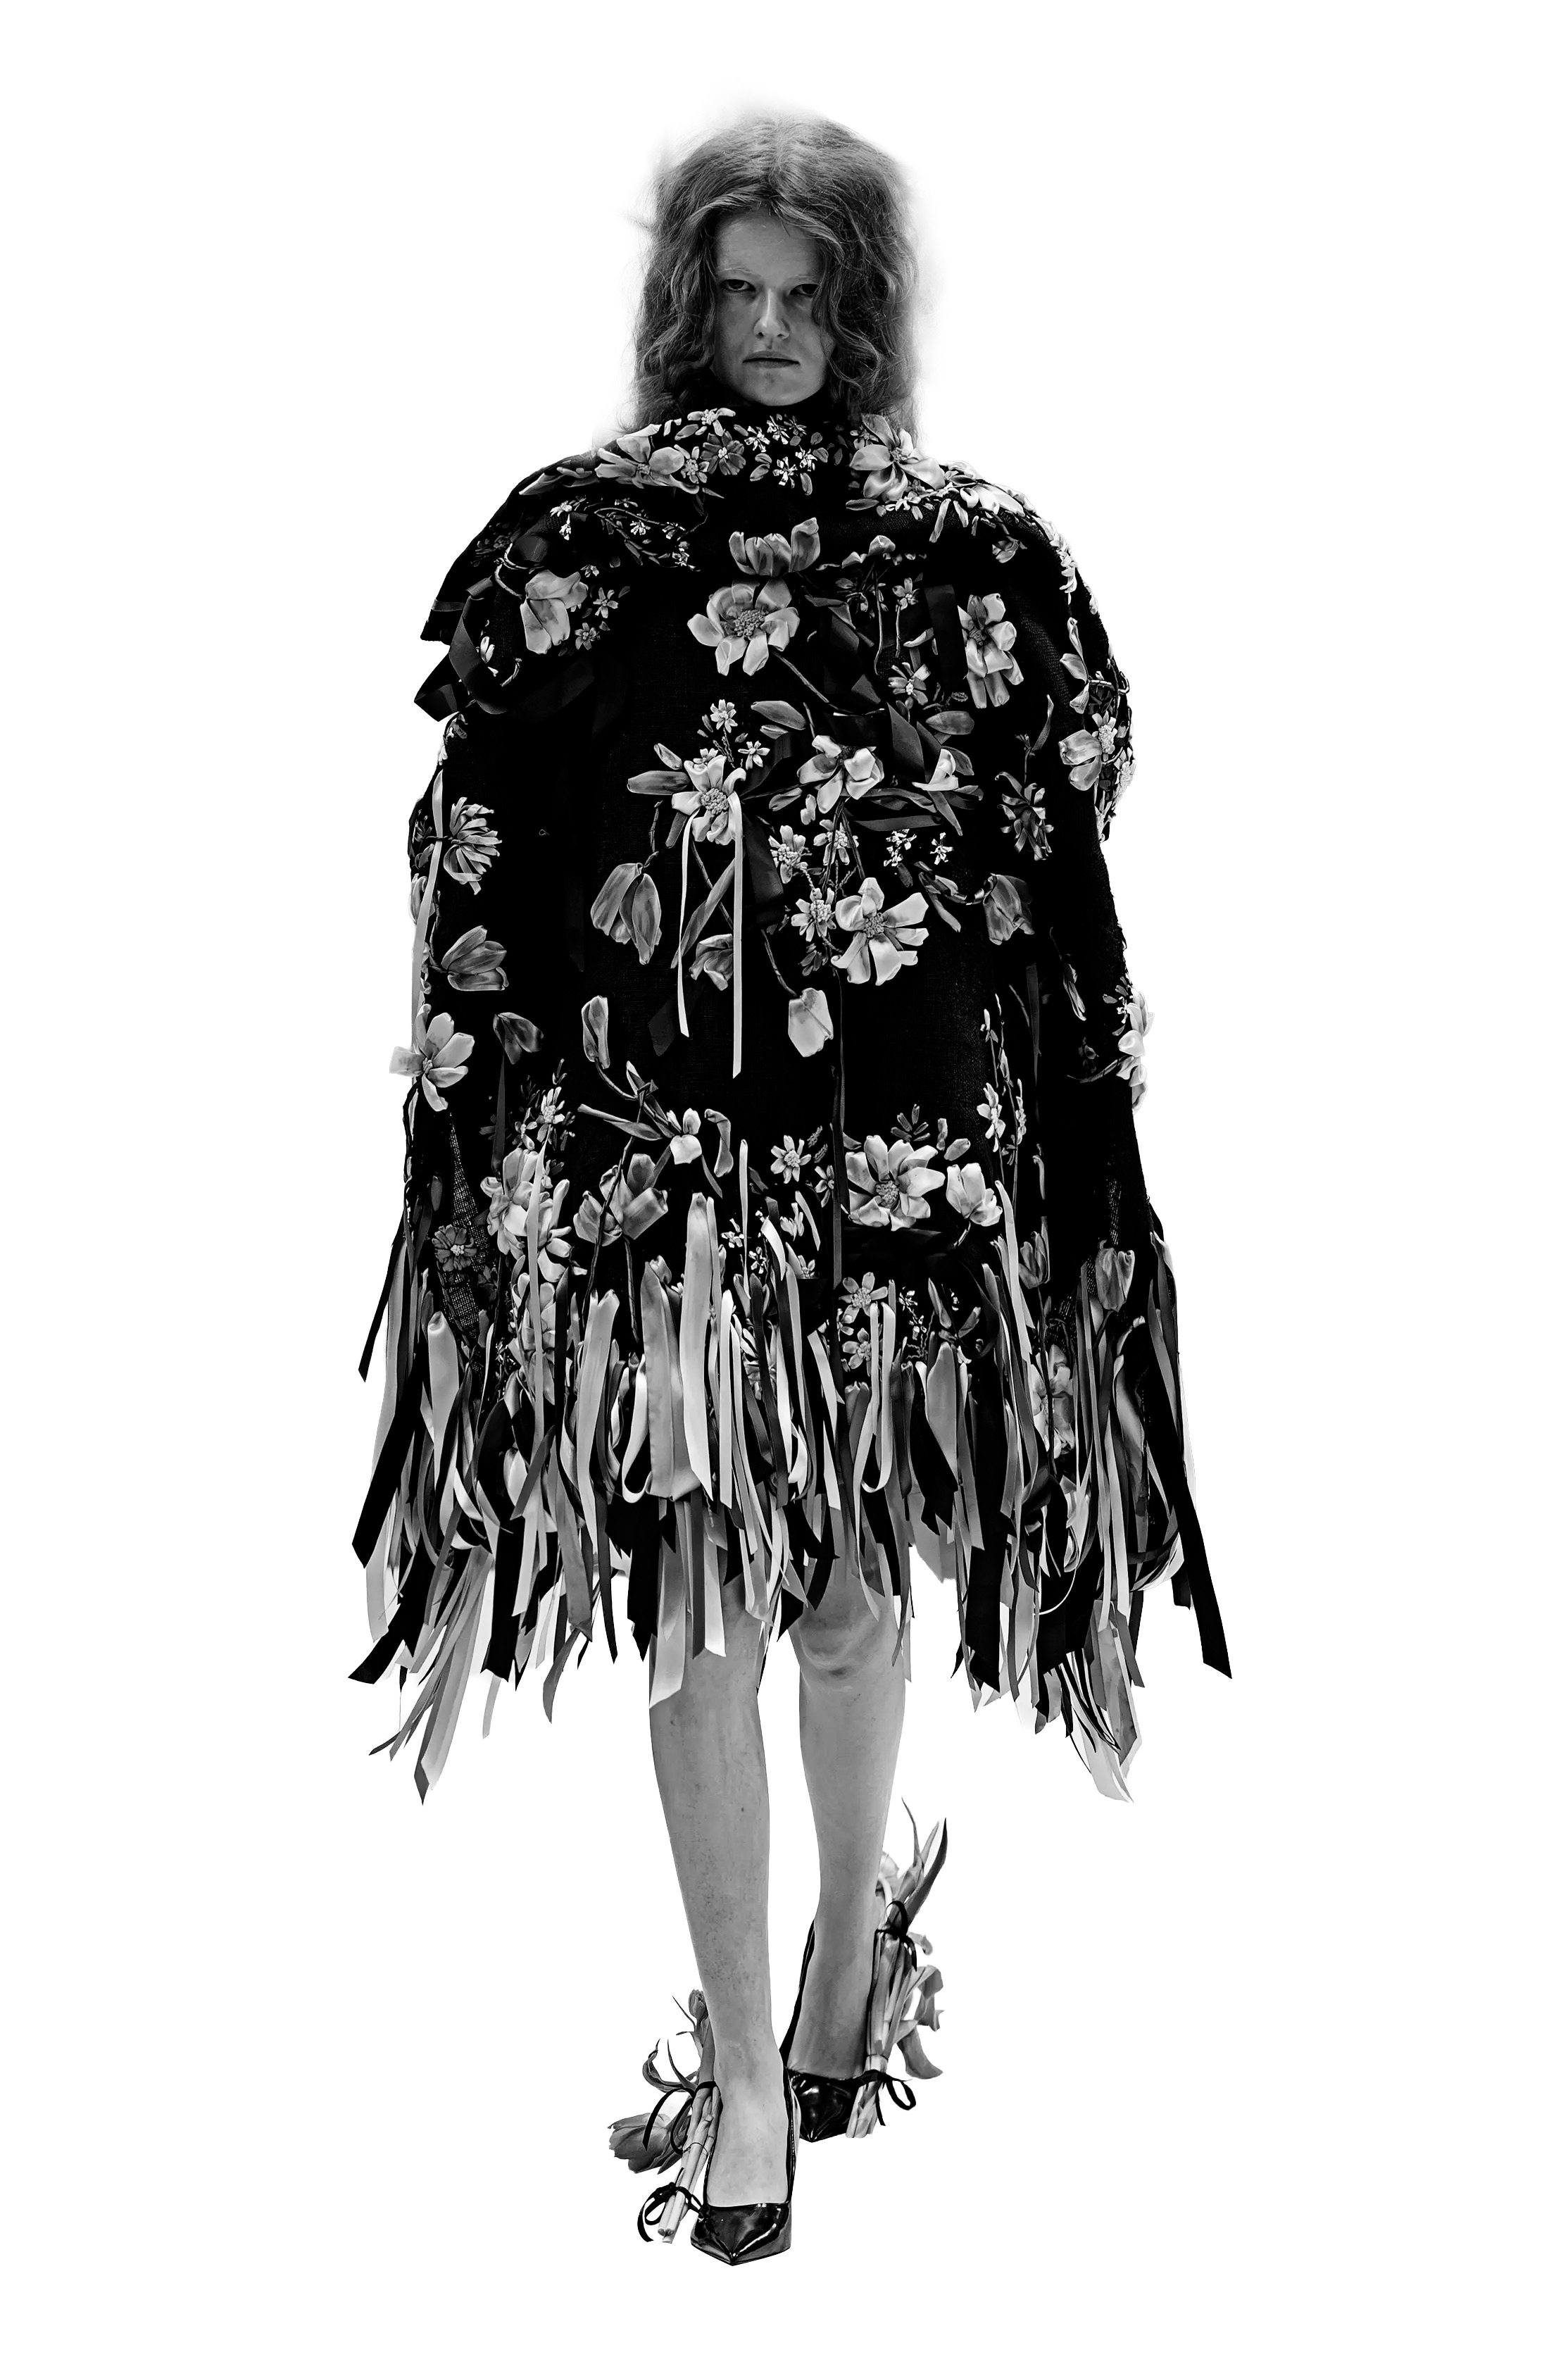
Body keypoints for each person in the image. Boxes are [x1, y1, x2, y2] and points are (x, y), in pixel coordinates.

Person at [353, 111, 1229, 2265]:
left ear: (865, 308)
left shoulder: (981, 555)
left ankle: (853, 1949)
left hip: (900, 1174)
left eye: (808, 295)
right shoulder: (573, 542)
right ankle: (749, 2074)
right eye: (735, 291)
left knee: (846, 1602)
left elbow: (1061, 857)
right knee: (698, 1616)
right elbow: (480, 860)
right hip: (657, 1179)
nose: (768, 331)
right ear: (684, 298)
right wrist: (491, 1148)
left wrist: (1044, 1143)